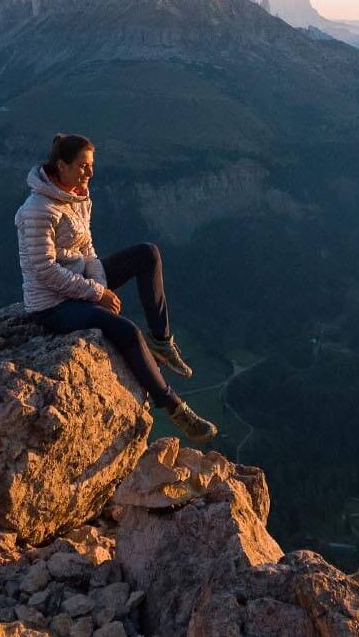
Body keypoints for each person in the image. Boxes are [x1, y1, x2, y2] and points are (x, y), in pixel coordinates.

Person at [16, 133, 217, 443]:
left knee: (147, 253)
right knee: (126, 331)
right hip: (52, 306)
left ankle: (162, 341)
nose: (90, 173)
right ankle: (176, 408)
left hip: (80, 284)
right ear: (61, 165)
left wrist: (99, 285)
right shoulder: (38, 210)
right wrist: (96, 294)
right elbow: (43, 271)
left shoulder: (78, 197)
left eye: (91, 165)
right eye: (82, 166)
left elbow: (88, 251)